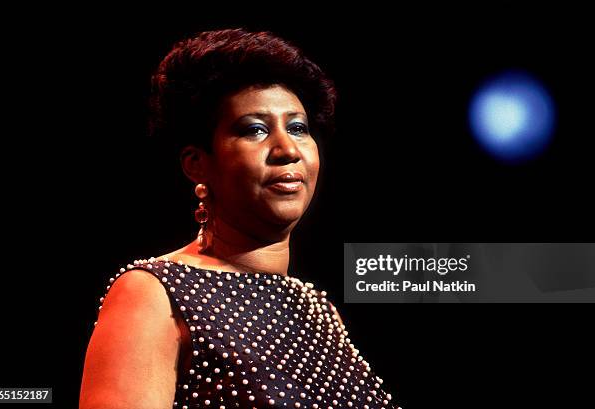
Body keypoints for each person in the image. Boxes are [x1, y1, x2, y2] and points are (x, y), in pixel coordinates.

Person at [80, 28, 399, 409]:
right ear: (197, 164)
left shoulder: (320, 312)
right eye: (255, 130)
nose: (287, 149)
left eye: (298, 128)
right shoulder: (153, 293)